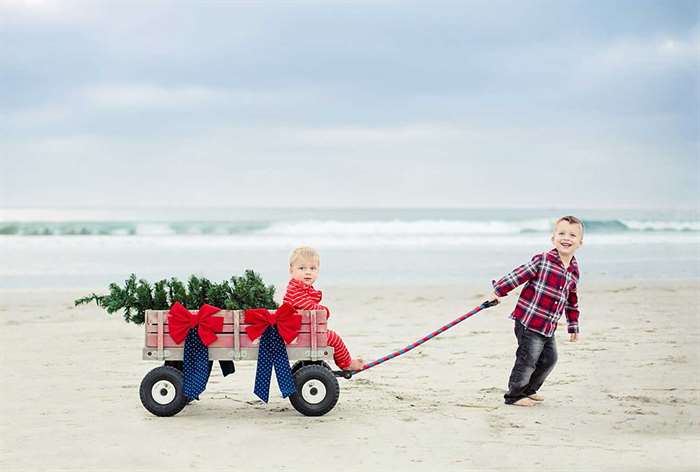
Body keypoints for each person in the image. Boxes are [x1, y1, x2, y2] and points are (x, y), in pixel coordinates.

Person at [489, 216, 584, 406]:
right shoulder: (543, 260)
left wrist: (573, 326)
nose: (566, 238)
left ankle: (529, 389)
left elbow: (571, 300)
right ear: (553, 238)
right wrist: (498, 291)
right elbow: (518, 275)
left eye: (572, 235)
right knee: (528, 359)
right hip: (529, 321)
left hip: (548, 326)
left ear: (580, 242)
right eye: (561, 233)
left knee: (550, 359)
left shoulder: (573, 270)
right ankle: (514, 395)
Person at [283, 247, 364, 371]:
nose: (308, 272)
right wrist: (324, 310)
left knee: (330, 335)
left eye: (312, 268)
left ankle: (346, 362)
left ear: (318, 271)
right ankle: (347, 364)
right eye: (302, 268)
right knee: (333, 338)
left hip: (301, 332)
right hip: (298, 335)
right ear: (291, 270)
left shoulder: (299, 288)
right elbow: (311, 308)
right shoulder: (295, 291)